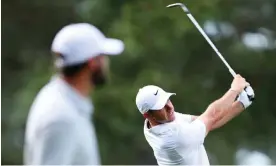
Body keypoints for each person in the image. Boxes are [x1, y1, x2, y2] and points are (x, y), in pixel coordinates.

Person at [23, 23, 124, 165]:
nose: (106, 62)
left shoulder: (66, 103)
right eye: (102, 56)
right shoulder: (60, 117)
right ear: (93, 62)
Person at [135, 75, 254, 165]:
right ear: (148, 115)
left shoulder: (158, 122)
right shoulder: (174, 138)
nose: (169, 107)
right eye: (161, 106)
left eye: (167, 100)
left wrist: (242, 103)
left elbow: (211, 121)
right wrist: (234, 90)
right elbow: (211, 116)